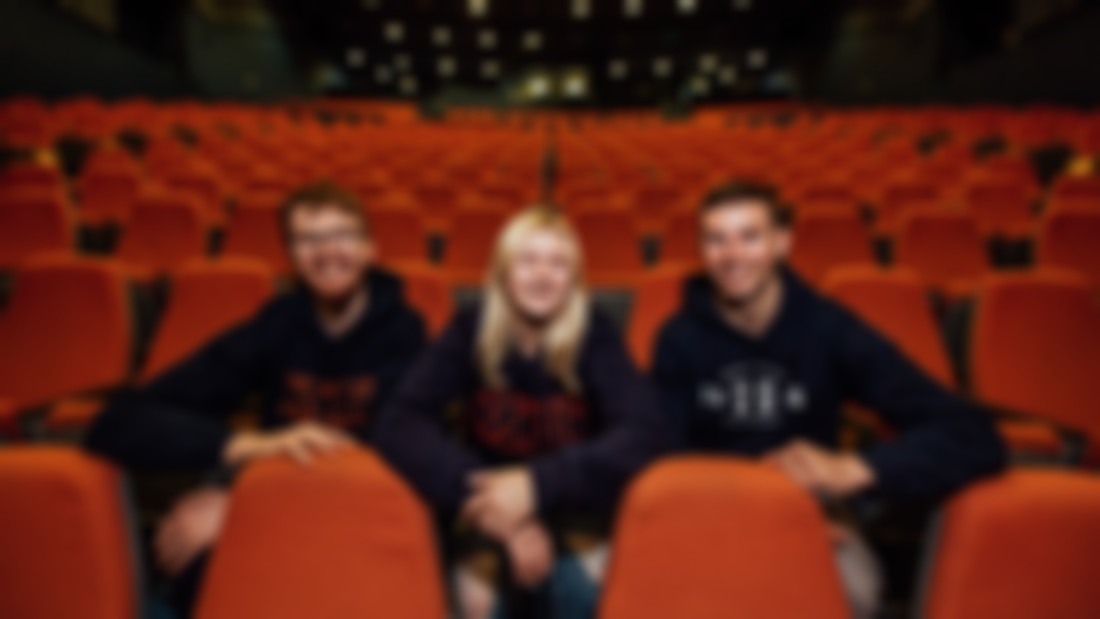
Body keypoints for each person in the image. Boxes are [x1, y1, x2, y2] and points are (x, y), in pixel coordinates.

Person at [650, 180, 1007, 619]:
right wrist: (737, 515)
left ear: (783, 243)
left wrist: (857, 469)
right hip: (711, 509)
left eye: (750, 236)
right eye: (716, 239)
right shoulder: (678, 337)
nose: (732, 255)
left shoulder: (828, 327)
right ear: (702, 251)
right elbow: (668, 458)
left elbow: (971, 433)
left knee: (853, 591)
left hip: (811, 512)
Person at [85, 182, 427, 617]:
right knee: (186, 554)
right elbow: (118, 423)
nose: (327, 251)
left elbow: (394, 457)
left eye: (343, 235)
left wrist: (250, 502)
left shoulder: (406, 334)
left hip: (365, 507)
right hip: (281, 485)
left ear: (370, 249)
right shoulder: (276, 326)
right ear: (291, 257)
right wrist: (247, 448)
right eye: (308, 239)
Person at [374, 206, 667, 619]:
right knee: (479, 606)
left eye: (558, 263)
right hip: (484, 508)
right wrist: (491, 506)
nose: (542, 275)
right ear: (502, 274)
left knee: (579, 595)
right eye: (527, 261)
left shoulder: (595, 332)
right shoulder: (470, 328)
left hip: (574, 507)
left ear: (574, 280)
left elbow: (645, 431)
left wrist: (538, 485)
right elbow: (399, 422)